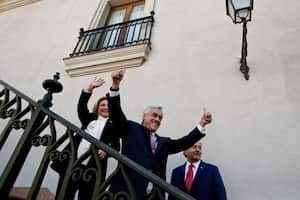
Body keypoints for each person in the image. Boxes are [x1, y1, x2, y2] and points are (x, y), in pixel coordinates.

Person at [107, 70, 213, 199]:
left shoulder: (164, 142)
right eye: (154, 115)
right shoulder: (131, 129)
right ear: (144, 116)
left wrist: (201, 124)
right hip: (126, 192)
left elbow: (184, 142)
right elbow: (116, 114)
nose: (157, 119)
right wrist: (115, 85)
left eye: (160, 118)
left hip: (154, 196)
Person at [51, 78, 120, 200]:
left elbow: (116, 147)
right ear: (97, 107)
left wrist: (107, 151)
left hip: (93, 169)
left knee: (86, 196)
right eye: (102, 105)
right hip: (73, 162)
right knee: (64, 195)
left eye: (108, 105)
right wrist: (90, 88)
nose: (105, 107)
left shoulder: (114, 126)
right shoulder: (89, 118)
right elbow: (81, 106)